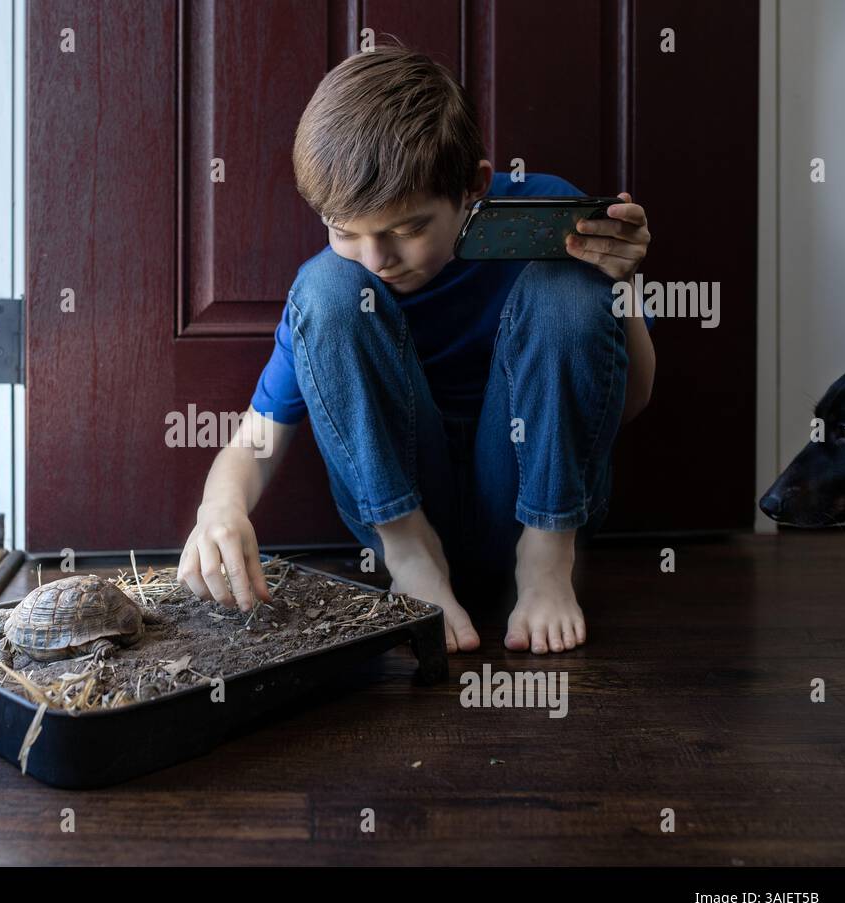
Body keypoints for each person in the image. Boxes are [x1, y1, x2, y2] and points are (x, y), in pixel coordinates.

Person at [178, 44, 655, 655]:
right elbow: (256, 439)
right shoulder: (346, 282)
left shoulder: (545, 217)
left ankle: (545, 557)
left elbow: (631, 400)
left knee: (567, 277)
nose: (379, 260)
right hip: (399, 506)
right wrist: (219, 508)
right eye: (346, 231)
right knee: (325, 285)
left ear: (473, 188)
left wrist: (620, 285)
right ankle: (411, 555)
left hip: (532, 494)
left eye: (407, 230)